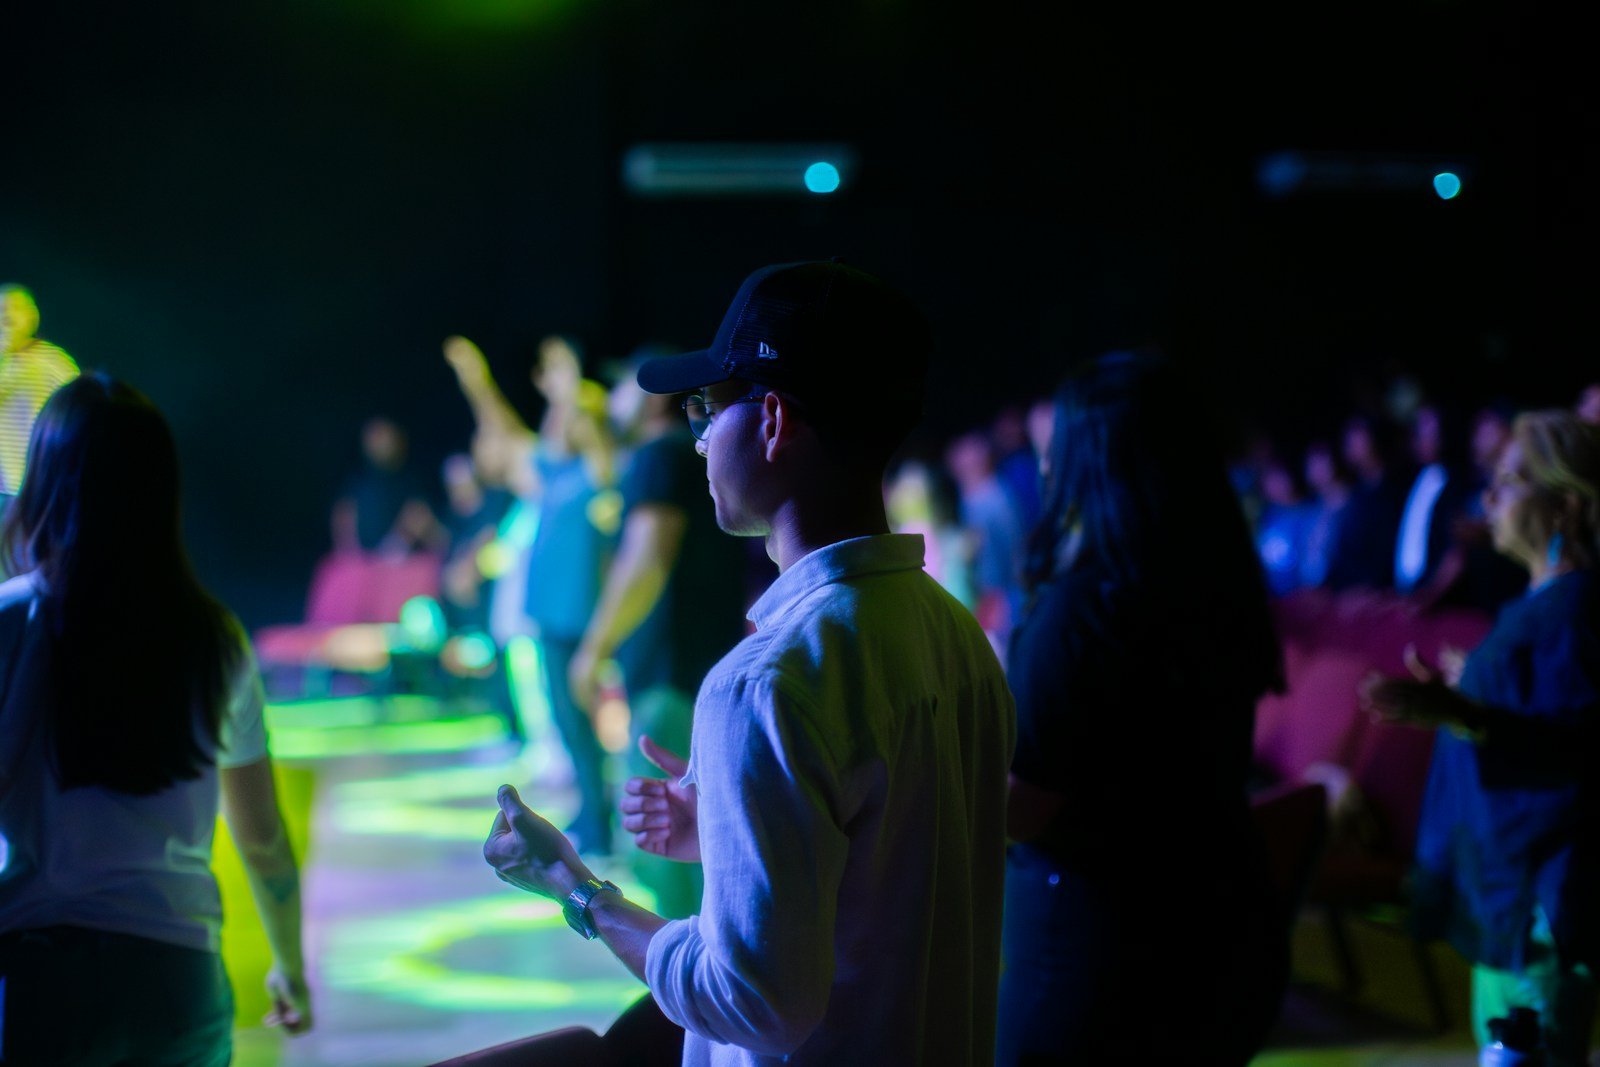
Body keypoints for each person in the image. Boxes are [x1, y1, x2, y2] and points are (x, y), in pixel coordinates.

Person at [482, 261, 1015, 1064]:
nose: (697, 435)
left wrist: (576, 889)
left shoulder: (762, 683)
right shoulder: (953, 632)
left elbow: (752, 1000)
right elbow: (897, 882)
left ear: (770, 421)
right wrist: (734, 839)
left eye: (707, 407)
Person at [0, 374, 311, 1065]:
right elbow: (263, 841)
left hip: (40, 977)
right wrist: (289, 963)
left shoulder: (9, 623)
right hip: (179, 977)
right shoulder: (214, 638)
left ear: (42, 484)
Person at [999, 352, 1288, 1064]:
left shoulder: (1077, 613)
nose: (1041, 468)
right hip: (1224, 927)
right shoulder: (1221, 586)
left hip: (1098, 955)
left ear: (1083, 461)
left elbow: (1025, 805)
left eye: (1050, 451)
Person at [1362, 409, 1600, 1067]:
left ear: (1568, 507)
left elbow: (1572, 747)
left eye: (1512, 480)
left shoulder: (1576, 610)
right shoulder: (1550, 603)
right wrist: (1474, 691)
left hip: (1536, 907)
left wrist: (1460, 711)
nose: (1490, 498)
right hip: (1512, 901)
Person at [567, 353, 749, 911]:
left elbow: (645, 560)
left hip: (669, 682)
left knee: (665, 854)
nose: (613, 399)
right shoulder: (684, 458)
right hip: (701, 670)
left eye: (621, 387)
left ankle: (683, 989)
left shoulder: (658, 454)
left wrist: (592, 649)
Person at [0, 285, 78, 505]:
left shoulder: (54, 362)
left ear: (31, 317)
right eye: (1, 309)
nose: (6, 314)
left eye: (15, 308)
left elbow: (80, 412)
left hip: (40, 486)